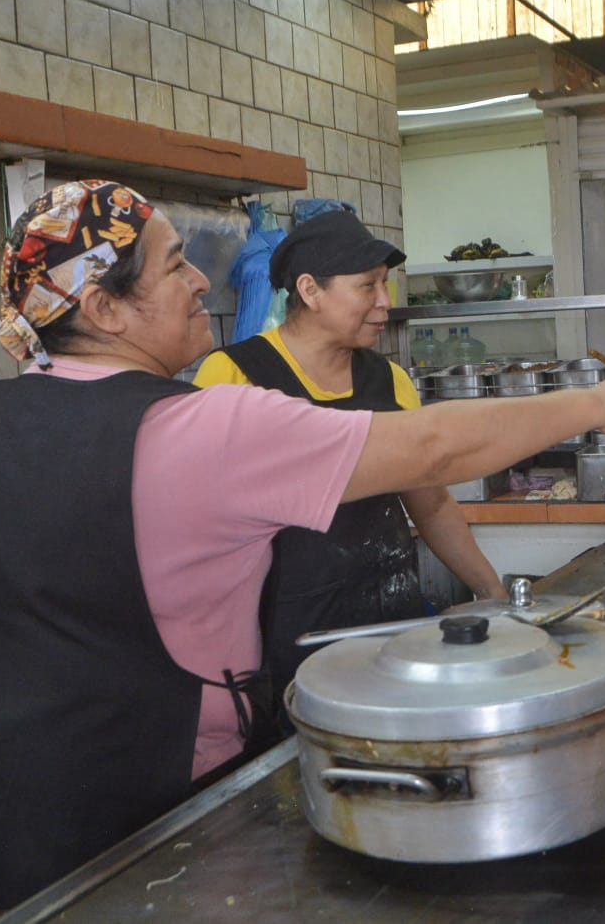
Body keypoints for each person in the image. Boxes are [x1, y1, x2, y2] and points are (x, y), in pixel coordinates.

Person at [0, 179, 605, 911]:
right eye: (176, 264)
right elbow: (433, 449)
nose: (201, 281)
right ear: (104, 308)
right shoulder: (206, 425)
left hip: (16, 824)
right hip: (165, 828)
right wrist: (599, 401)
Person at [193, 210, 507, 728]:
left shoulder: (389, 380)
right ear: (311, 290)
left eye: (385, 285)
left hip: (390, 623)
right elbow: (201, 530)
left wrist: (492, 593)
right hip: (285, 638)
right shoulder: (233, 375)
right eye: (367, 286)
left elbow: (431, 504)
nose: (384, 302)